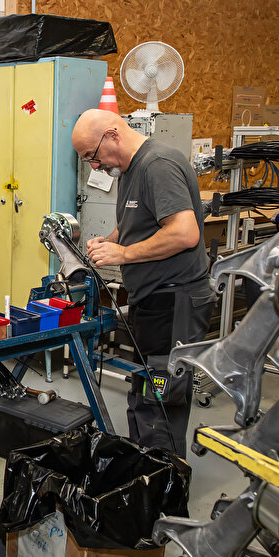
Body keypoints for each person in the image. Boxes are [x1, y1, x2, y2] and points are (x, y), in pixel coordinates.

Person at [72, 109, 216, 458]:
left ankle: (164, 486)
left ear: (112, 135)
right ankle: (145, 473)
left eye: (93, 156)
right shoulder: (131, 170)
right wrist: (110, 242)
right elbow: (135, 221)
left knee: (161, 397)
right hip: (153, 300)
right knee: (145, 387)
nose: (95, 166)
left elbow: (184, 233)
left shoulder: (158, 165)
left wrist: (123, 254)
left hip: (175, 299)